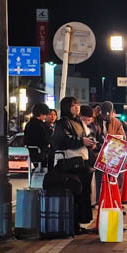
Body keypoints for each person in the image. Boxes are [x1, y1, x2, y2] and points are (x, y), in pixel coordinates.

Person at [50, 96, 96, 233]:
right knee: (76, 193)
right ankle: (73, 225)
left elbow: (87, 136)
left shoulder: (78, 122)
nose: (77, 107)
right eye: (73, 105)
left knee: (84, 194)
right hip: (71, 164)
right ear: (66, 107)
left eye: (77, 104)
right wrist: (82, 141)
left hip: (82, 161)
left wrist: (90, 142)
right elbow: (63, 140)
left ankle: (79, 224)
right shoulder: (63, 122)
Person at [23, 102, 52, 171]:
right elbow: (45, 139)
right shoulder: (42, 125)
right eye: (45, 114)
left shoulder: (28, 124)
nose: (45, 117)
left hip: (31, 153)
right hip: (42, 153)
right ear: (41, 114)